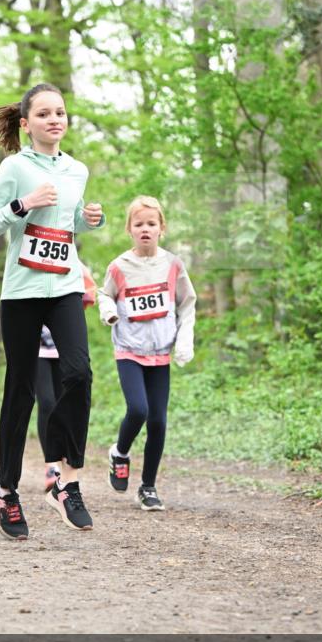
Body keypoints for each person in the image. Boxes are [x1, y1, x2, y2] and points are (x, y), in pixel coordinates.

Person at [0, 82, 104, 541]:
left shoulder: (77, 170)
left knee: (79, 374)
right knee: (21, 391)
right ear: (27, 124)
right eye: (44, 114)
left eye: (60, 112)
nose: (54, 120)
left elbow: (67, 225)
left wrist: (89, 219)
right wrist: (22, 205)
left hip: (64, 285)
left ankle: (66, 482)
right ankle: (6, 489)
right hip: (23, 290)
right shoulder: (14, 167)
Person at [98, 195, 196, 511]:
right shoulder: (119, 266)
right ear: (129, 229)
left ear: (161, 228)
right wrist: (109, 312)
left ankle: (148, 487)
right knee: (138, 409)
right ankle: (120, 452)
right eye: (138, 224)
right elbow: (104, 295)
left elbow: (187, 303)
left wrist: (184, 342)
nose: (145, 229)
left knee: (158, 421)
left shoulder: (173, 265)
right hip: (129, 349)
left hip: (160, 352)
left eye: (151, 224)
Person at [38, 263, 97, 493]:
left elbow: (89, 292)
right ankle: (50, 465)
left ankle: (64, 461)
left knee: (63, 403)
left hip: (64, 348)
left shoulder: (74, 263)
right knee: (46, 403)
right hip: (38, 349)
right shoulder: (29, 257)